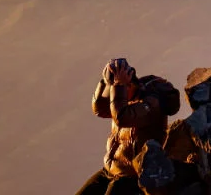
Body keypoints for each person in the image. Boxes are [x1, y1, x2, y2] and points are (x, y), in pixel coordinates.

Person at [74, 58, 181, 195]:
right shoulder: (121, 100)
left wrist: (119, 85)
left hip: (130, 176)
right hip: (111, 170)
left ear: (129, 85)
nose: (113, 96)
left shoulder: (150, 103)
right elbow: (99, 109)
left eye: (116, 90)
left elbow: (122, 118)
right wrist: (105, 80)